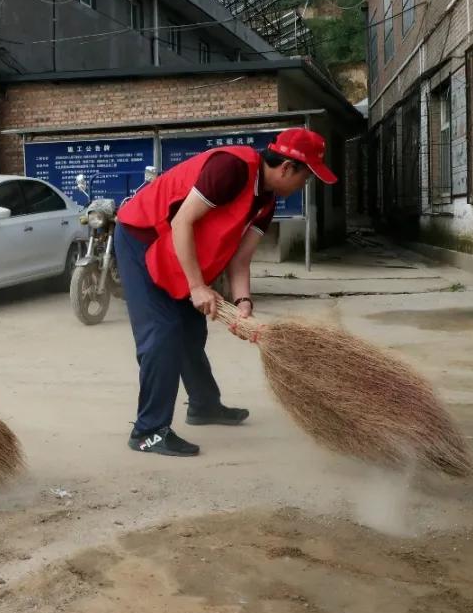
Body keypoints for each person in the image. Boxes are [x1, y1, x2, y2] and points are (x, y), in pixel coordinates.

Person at [114, 128, 337, 457]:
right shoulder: (231, 169)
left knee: (191, 330)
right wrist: (196, 286)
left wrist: (243, 301)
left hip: (177, 247)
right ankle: (148, 431)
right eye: (305, 178)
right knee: (163, 333)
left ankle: (204, 406)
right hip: (142, 237)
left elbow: (240, 258)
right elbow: (182, 223)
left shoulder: (266, 202)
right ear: (287, 168)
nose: (303, 186)